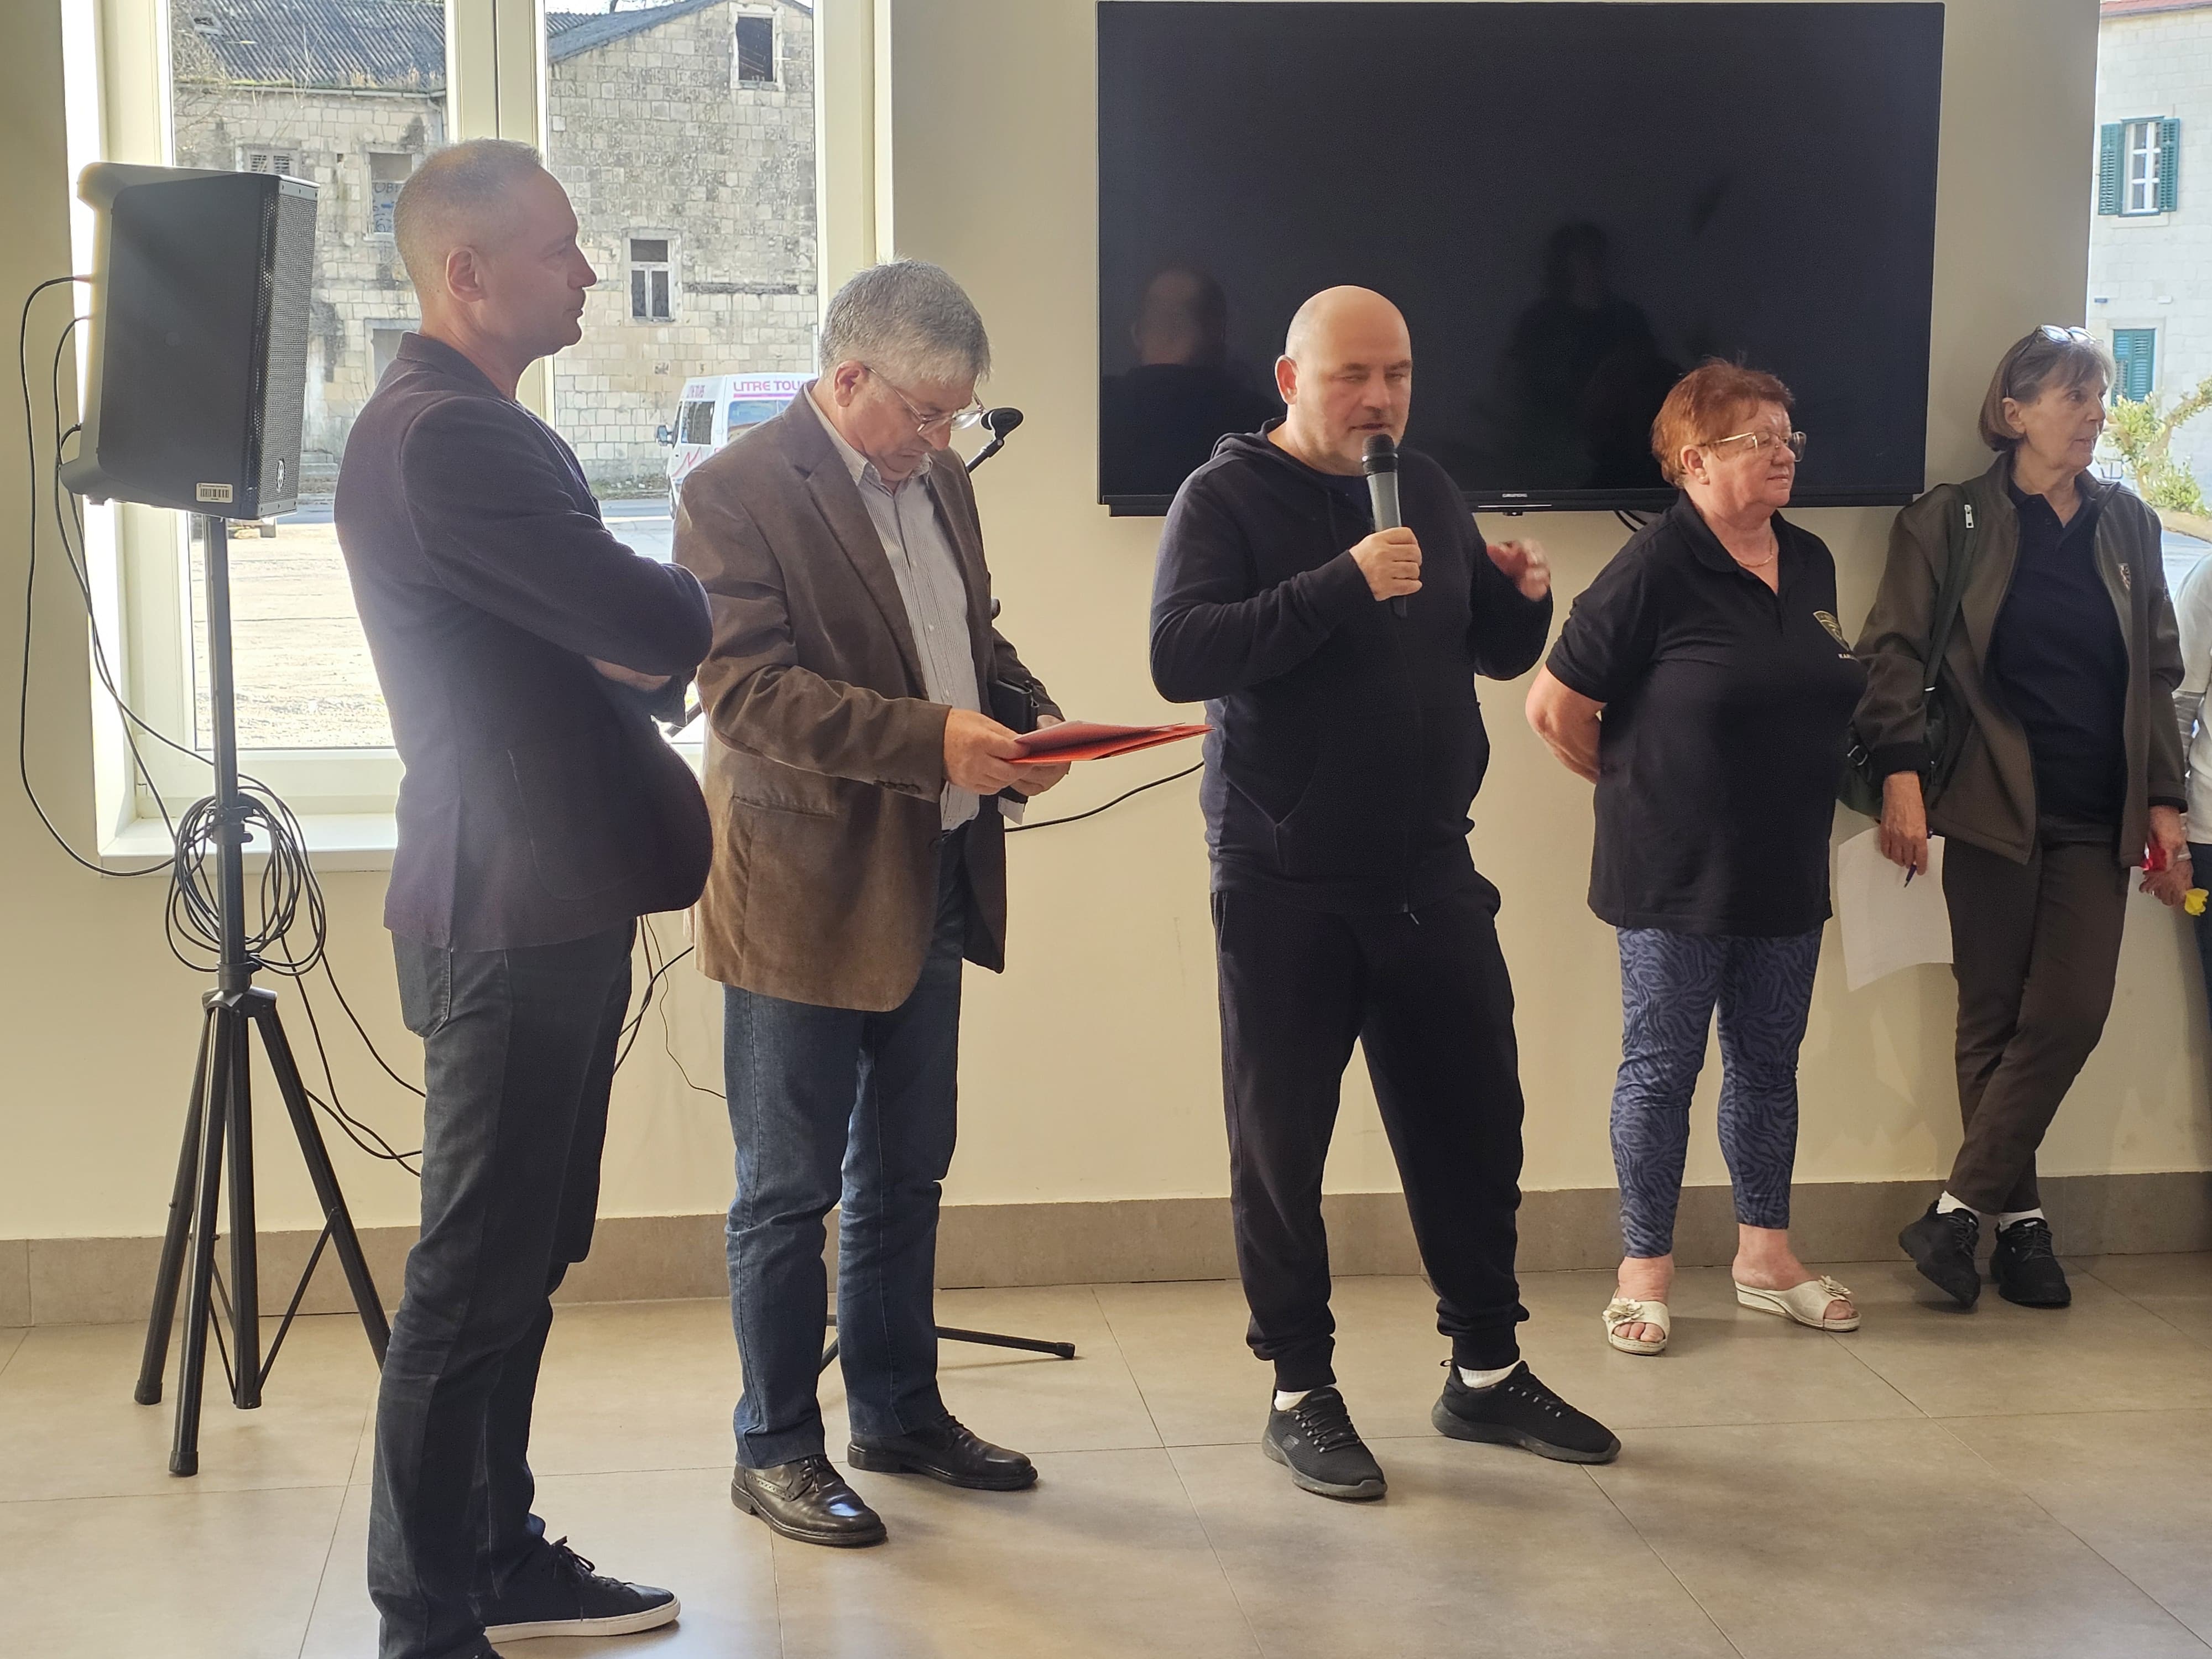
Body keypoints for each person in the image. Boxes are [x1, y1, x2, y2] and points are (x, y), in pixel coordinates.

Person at [1150, 285, 1619, 1504]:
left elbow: (1485, 651)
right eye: (1351, 374)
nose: (1379, 398)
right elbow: (1179, 655)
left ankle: (1484, 1371)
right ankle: (1299, 1390)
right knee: (1281, 1146)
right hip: (1283, 881)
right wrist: (1339, 583)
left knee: (1476, 1126)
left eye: (1398, 373)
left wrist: (1521, 600)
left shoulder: (1428, 488)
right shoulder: (1223, 498)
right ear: (1288, 379)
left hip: (1430, 871)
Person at [337, 140, 710, 1659]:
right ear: (467, 273)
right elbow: (650, 617)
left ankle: (496, 1557)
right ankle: (426, 1615)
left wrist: (638, 632)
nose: (588, 270)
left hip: (544, 894)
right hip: (508, 905)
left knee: (523, 1259)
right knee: (471, 1276)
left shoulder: (465, 427)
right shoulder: (449, 438)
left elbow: (618, 642)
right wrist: (664, 614)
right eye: (560, 246)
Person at [674, 261, 1067, 1548]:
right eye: (923, 412)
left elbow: (967, 642)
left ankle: (897, 1412)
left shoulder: (940, 481)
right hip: (801, 891)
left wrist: (1027, 720)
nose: (941, 439)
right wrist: (932, 740)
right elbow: (747, 696)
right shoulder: (733, 491)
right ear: (847, 379)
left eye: (957, 415)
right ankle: (775, 1446)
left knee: (905, 1168)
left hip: (935, 866)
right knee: (786, 1187)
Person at [1525, 362, 1866, 1356]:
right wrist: (1639, 784)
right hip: (1671, 874)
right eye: (1757, 439)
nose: (1782, 454)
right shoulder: (1654, 566)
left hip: (1785, 866)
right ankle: (1644, 1271)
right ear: (1691, 461)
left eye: (1788, 436)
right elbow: (1552, 707)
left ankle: (1766, 1258)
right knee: (1662, 1069)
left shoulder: (1810, 560)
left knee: (1768, 1065)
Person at [1856, 325, 2189, 1311]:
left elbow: (2157, 674)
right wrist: (1900, 776)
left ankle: (1959, 1209)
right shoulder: (1948, 520)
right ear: (2014, 412)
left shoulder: (2128, 525)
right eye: (2074, 395)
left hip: (2097, 809)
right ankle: (2024, 1227)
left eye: (2101, 396)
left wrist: (2165, 802)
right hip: (1986, 798)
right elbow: (1893, 653)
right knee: (1993, 1015)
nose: (2095, 414)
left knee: (2070, 1013)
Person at [1100, 264, 1275, 498]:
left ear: (1137, 332)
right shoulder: (1260, 419)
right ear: (1218, 332)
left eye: (1179, 318)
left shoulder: (1096, 409)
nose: (1171, 327)